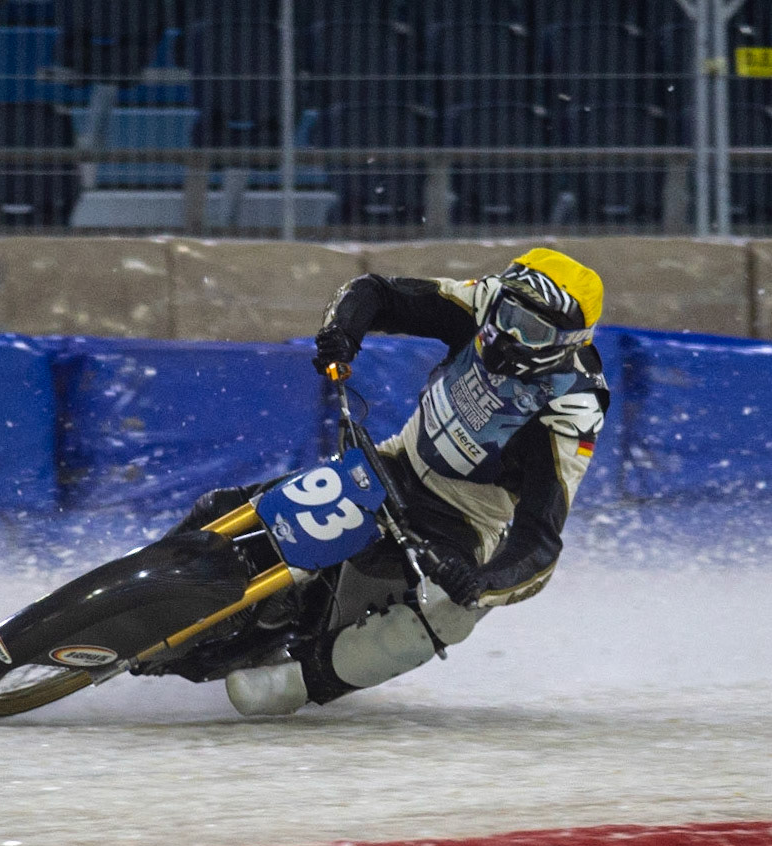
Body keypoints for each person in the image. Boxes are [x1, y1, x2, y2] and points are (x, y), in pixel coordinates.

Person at [171, 247, 608, 716]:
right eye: (509, 313)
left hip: (462, 521)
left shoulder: (573, 408)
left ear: (568, 342)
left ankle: (302, 681)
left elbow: (540, 541)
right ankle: (159, 564)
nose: (509, 334)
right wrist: (342, 333)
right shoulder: (481, 302)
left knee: (452, 612)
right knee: (223, 506)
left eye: (534, 330)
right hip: (394, 460)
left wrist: (480, 582)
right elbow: (376, 292)